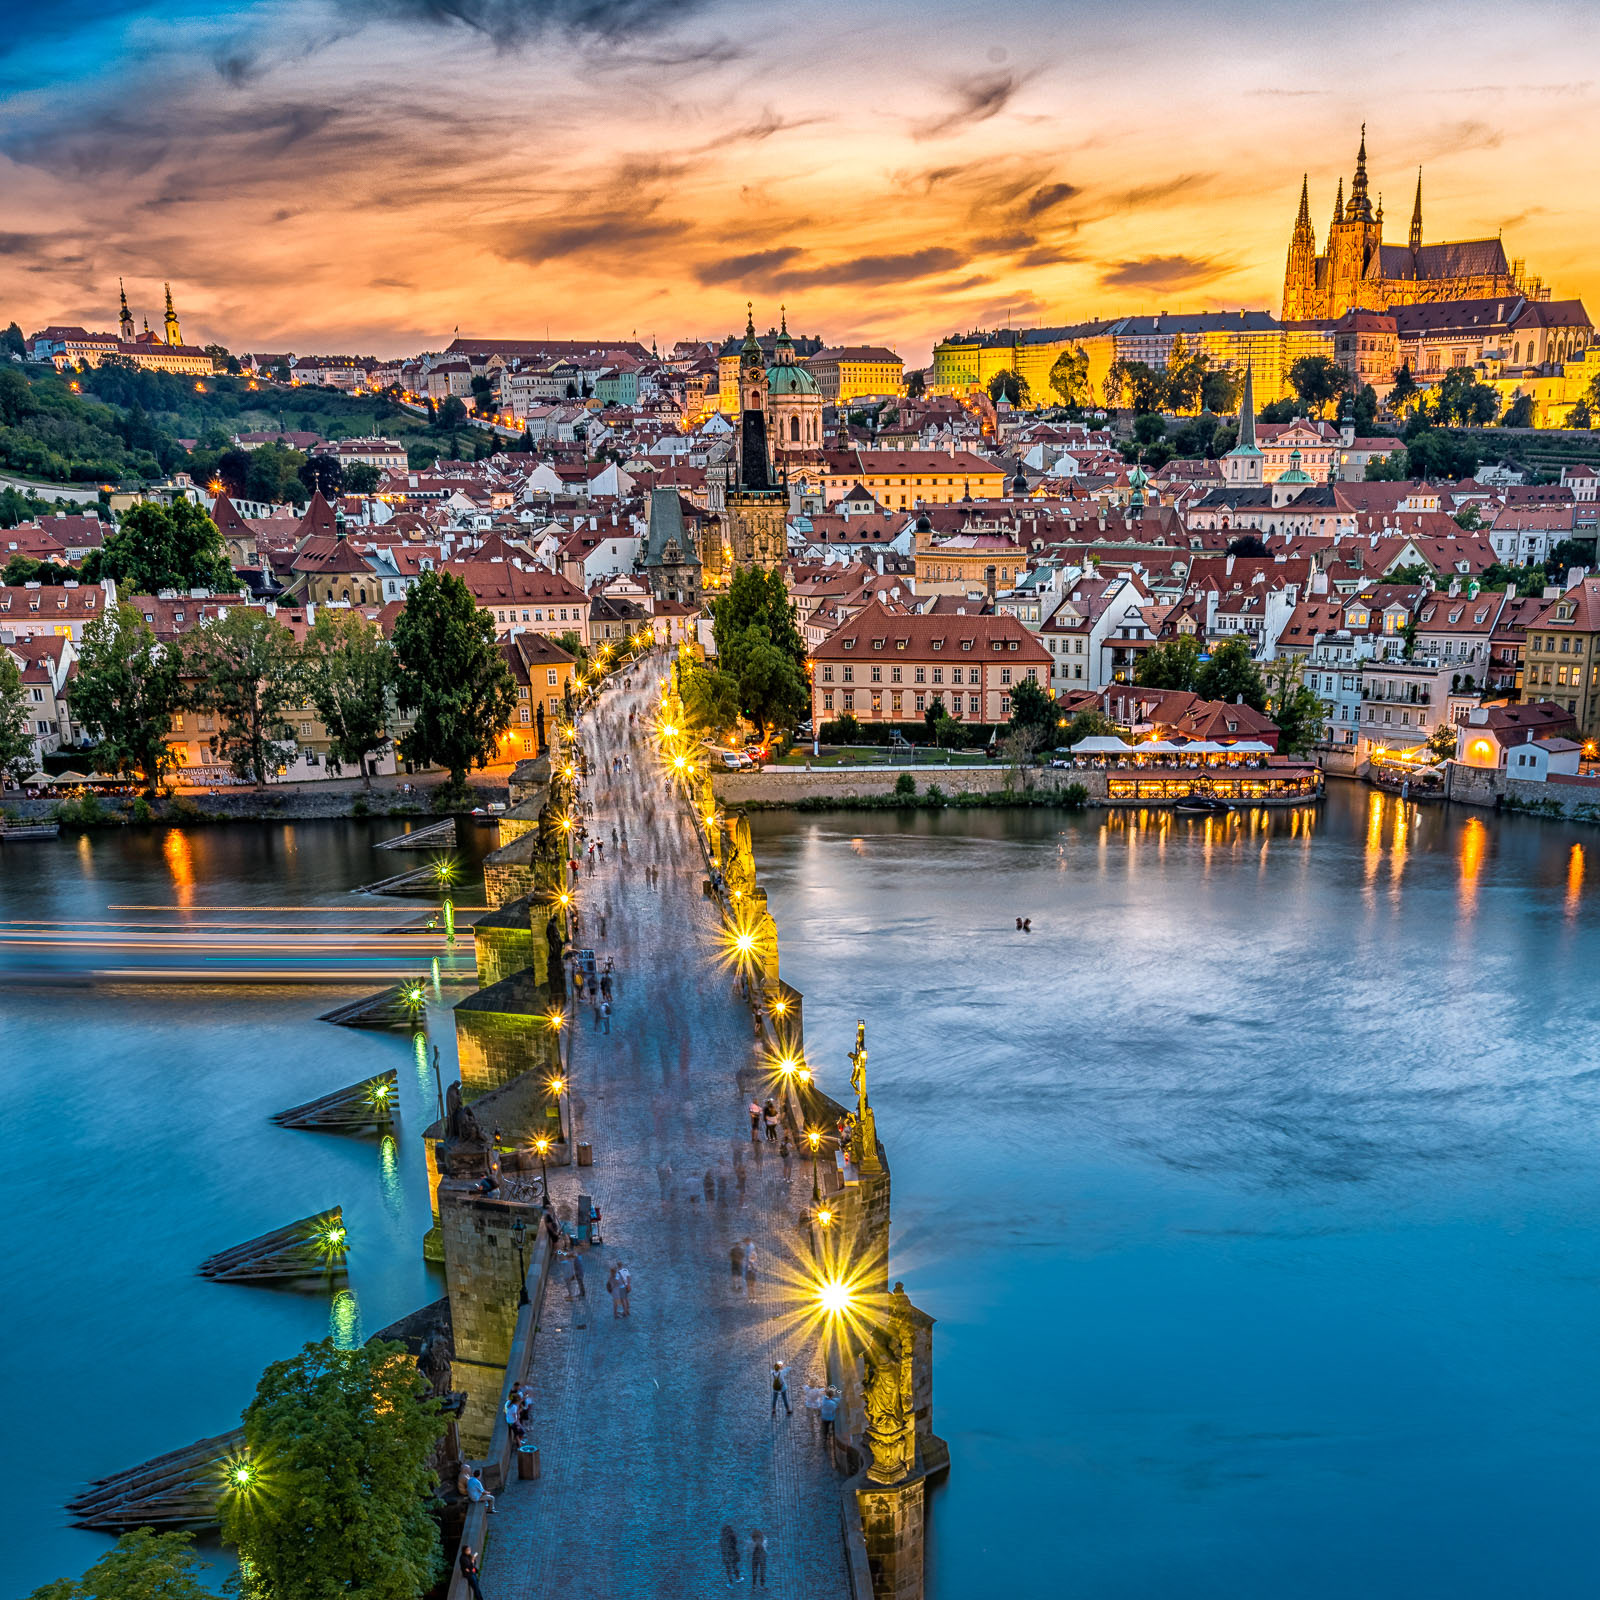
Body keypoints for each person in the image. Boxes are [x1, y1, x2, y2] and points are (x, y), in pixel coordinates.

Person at [820, 1386, 839, 1465]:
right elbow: (835, 1407)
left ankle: (824, 1440)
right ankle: (830, 1435)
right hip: (830, 1418)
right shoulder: (832, 1404)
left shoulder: (824, 1399)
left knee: (825, 1429)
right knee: (830, 1427)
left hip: (824, 1417)